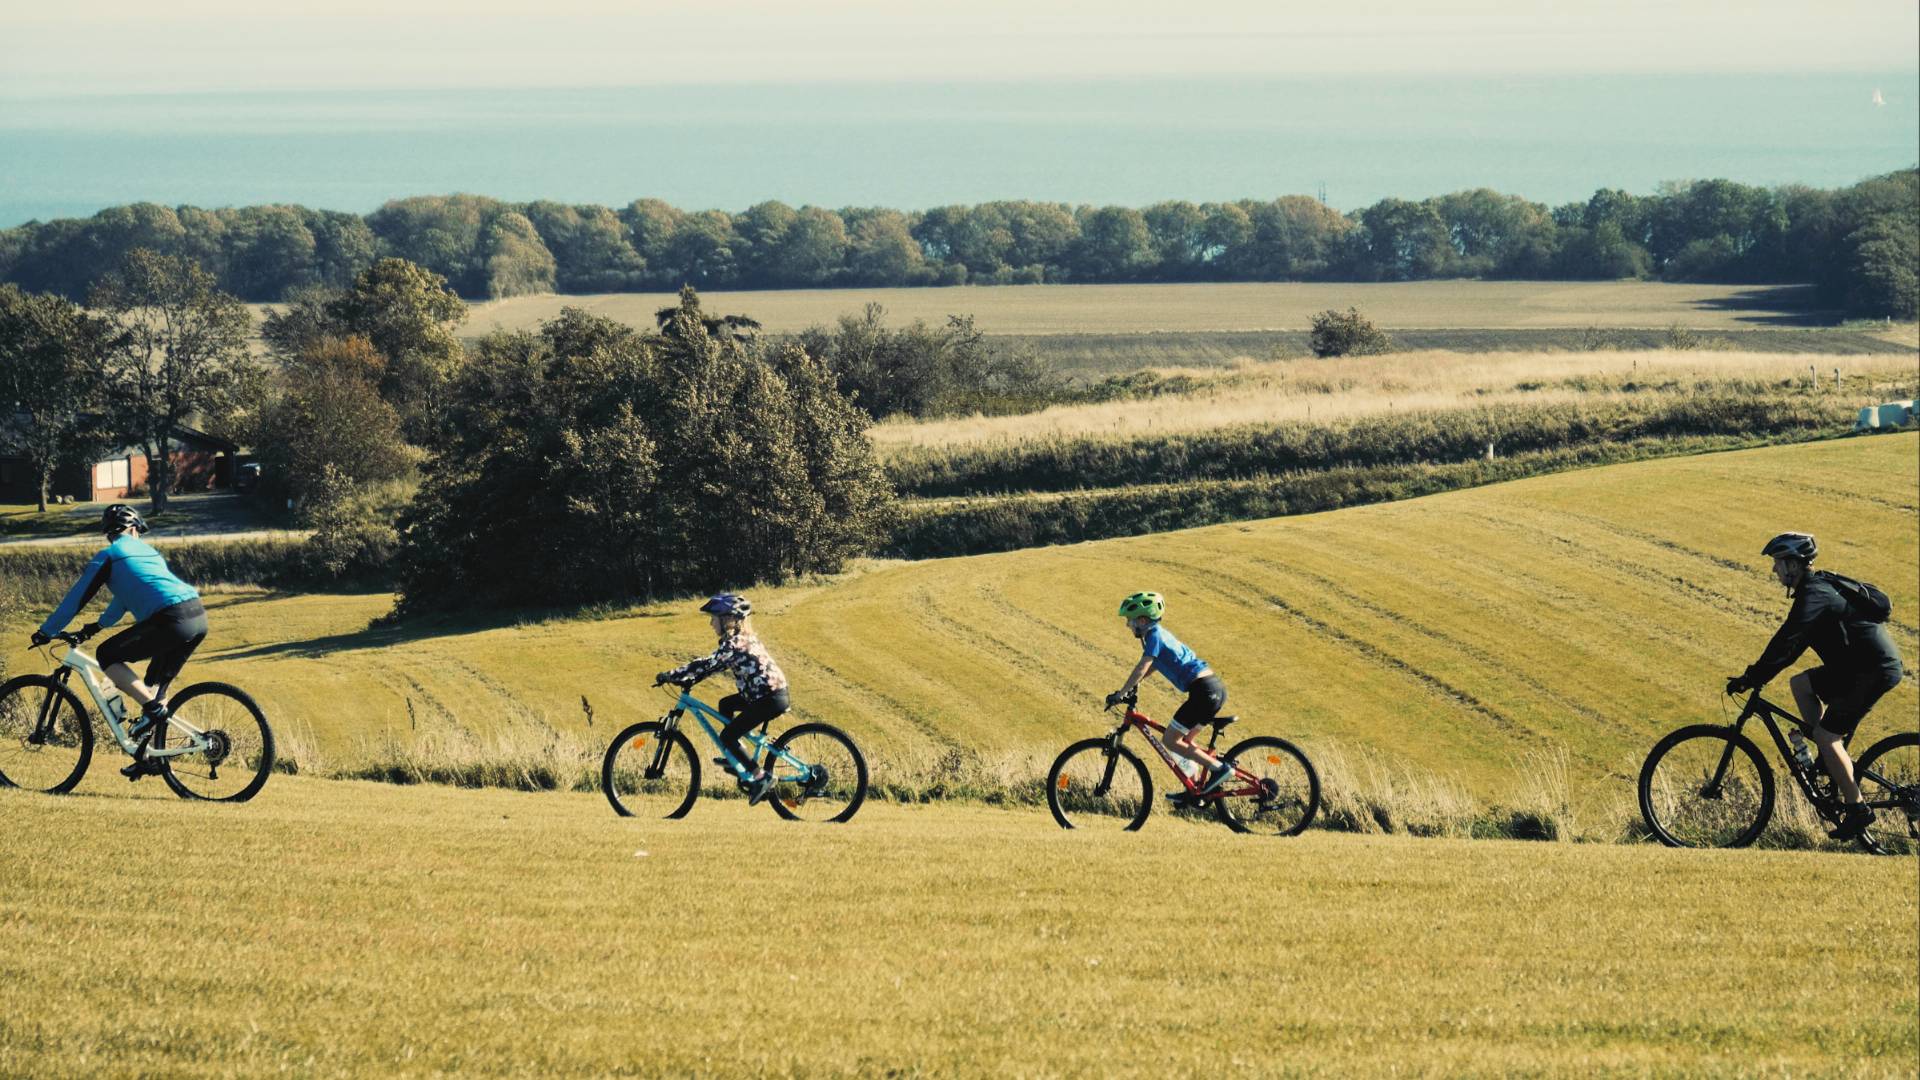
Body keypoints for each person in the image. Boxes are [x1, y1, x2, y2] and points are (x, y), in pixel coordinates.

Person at [1726, 532, 1905, 841]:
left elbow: (1787, 640)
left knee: (1826, 735)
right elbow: (1793, 647)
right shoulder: (1814, 590)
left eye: (1778, 563)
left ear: (1794, 565)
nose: (1774, 569)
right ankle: (1827, 762)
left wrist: (1753, 677)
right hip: (1853, 667)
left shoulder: (1815, 594)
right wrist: (1758, 674)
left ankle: (1857, 809)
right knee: (1801, 684)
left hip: (1872, 670)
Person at [29, 504, 207, 779]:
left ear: (109, 533)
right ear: (134, 529)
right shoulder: (148, 552)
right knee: (152, 687)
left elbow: (76, 598)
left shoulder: (109, 556)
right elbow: (123, 600)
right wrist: (95, 626)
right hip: (196, 616)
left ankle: (152, 711)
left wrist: (47, 630)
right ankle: (149, 756)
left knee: (107, 655)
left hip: (170, 619)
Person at [655, 593, 790, 806]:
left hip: (768, 698)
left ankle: (760, 776)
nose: (711, 623)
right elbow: (712, 667)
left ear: (728, 619)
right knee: (725, 705)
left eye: (714, 618)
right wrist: (692, 677)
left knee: (727, 735)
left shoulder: (734, 644)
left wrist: (672, 674)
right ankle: (734, 755)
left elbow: (707, 664)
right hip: (763, 694)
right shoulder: (741, 640)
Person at [1104, 591, 1233, 799]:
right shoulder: (1160, 634)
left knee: (1171, 740)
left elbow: (1143, 665)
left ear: (1143, 620)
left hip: (1203, 692)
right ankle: (1195, 789)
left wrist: (1121, 692)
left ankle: (1219, 769)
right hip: (1212, 689)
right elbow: (1155, 665)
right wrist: (1136, 684)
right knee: (1184, 743)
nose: (1128, 625)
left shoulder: (1153, 635)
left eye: (1130, 620)